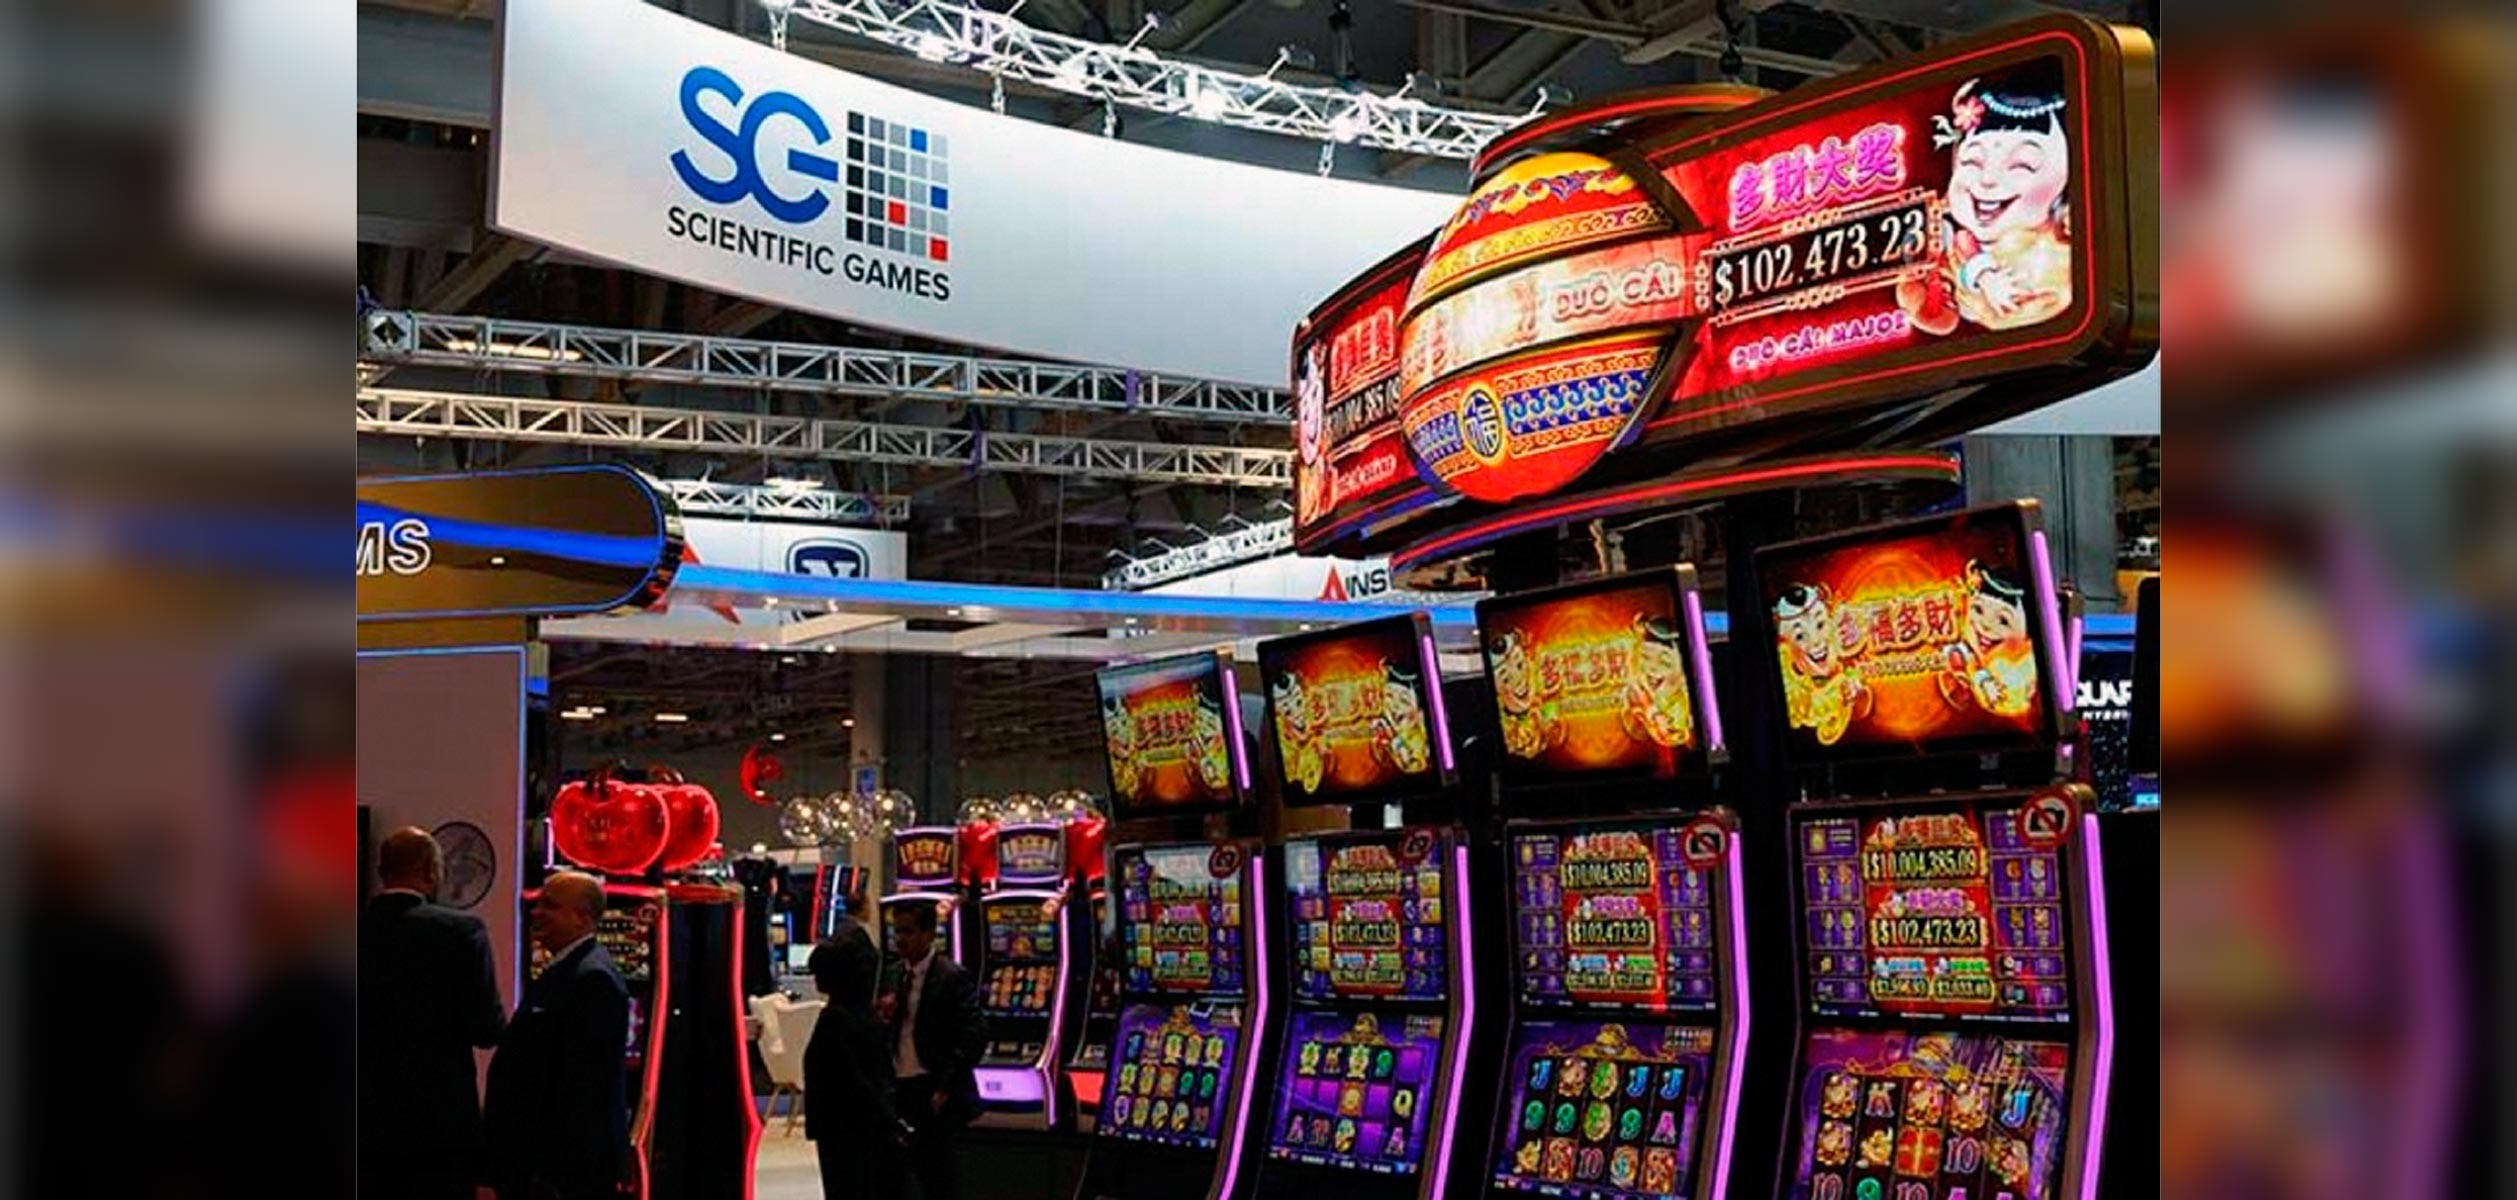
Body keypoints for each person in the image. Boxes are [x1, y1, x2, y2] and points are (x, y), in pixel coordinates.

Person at [360, 826, 506, 1200]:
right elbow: (486, 1030)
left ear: (382, 872)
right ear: (431, 870)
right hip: (440, 1129)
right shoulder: (461, 932)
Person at [484, 871, 630, 1200]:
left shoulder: (592, 978)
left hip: (563, 1170)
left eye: (549, 906)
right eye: (538, 904)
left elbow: (582, 1088)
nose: (536, 913)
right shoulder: (568, 969)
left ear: (582, 917)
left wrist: (544, 1172)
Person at [882, 901, 984, 1200]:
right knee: (897, 1180)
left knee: (938, 1179)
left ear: (929, 934)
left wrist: (946, 1086)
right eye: (897, 931)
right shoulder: (891, 974)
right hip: (898, 1088)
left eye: (908, 931)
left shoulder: (951, 976)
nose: (900, 939)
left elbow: (975, 1034)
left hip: (933, 1090)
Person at [803, 923, 900, 1200]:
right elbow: (866, 1079)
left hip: (844, 1128)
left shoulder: (837, 1018)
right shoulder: (853, 1018)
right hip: (858, 1126)